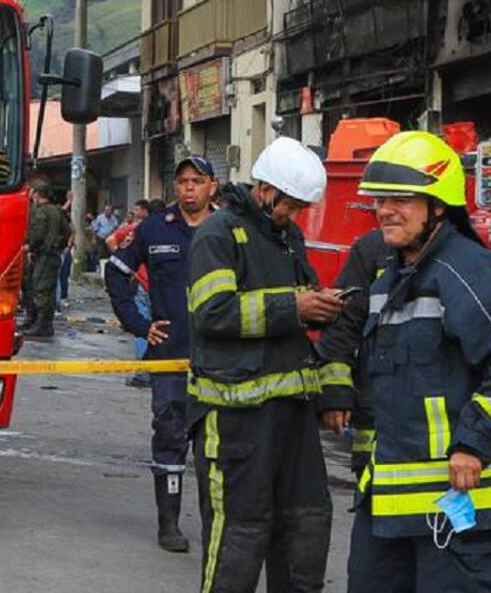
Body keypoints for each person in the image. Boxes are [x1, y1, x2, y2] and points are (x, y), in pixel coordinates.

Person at [347, 131, 491, 592]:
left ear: (438, 206)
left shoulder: (466, 269)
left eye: (402, 199)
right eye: (380, 199)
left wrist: (473, 445)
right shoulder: (389, 278)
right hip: (392, 503)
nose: (385, 210)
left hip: (460, 505)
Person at [186, 137, 344, 593]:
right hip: (234, 419)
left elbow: (300, 298)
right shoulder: (217, 235)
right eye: (290, 206)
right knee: (240, 532)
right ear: (265, 189)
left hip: (291, 414)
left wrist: (321, 303)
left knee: (306, 525)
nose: (294, 217)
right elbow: (212, 311)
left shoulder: (287, 237)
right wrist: (295, 308)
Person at [109, 156, 218, 553]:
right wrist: (140, 326)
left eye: (197, 181)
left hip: (220, 361)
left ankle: (215, 526)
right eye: (183, 181)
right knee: (170, 438)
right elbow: (117, 271)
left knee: (217, 448)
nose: (189, 188)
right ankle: (168, 524)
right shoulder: (155, 228)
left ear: (212, 187)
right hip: (170, 357)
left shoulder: (229, 228)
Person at [316, 228, 392, 477]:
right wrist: (336, 393)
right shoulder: (372, 248)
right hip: (374, 414)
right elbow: (343, 326)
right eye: (382, 202)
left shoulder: (463, 258)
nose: (386, 211)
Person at [20, 179, 66, 341]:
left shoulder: (41, 211)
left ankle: (42, 326)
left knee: (40, 289)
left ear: (37, 194)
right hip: (53, 254)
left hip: (44, 255)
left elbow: (37, 234)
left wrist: (30, 247)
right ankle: (37, 323)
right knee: (46, 289)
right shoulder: (57, 210)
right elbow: (67, 231)